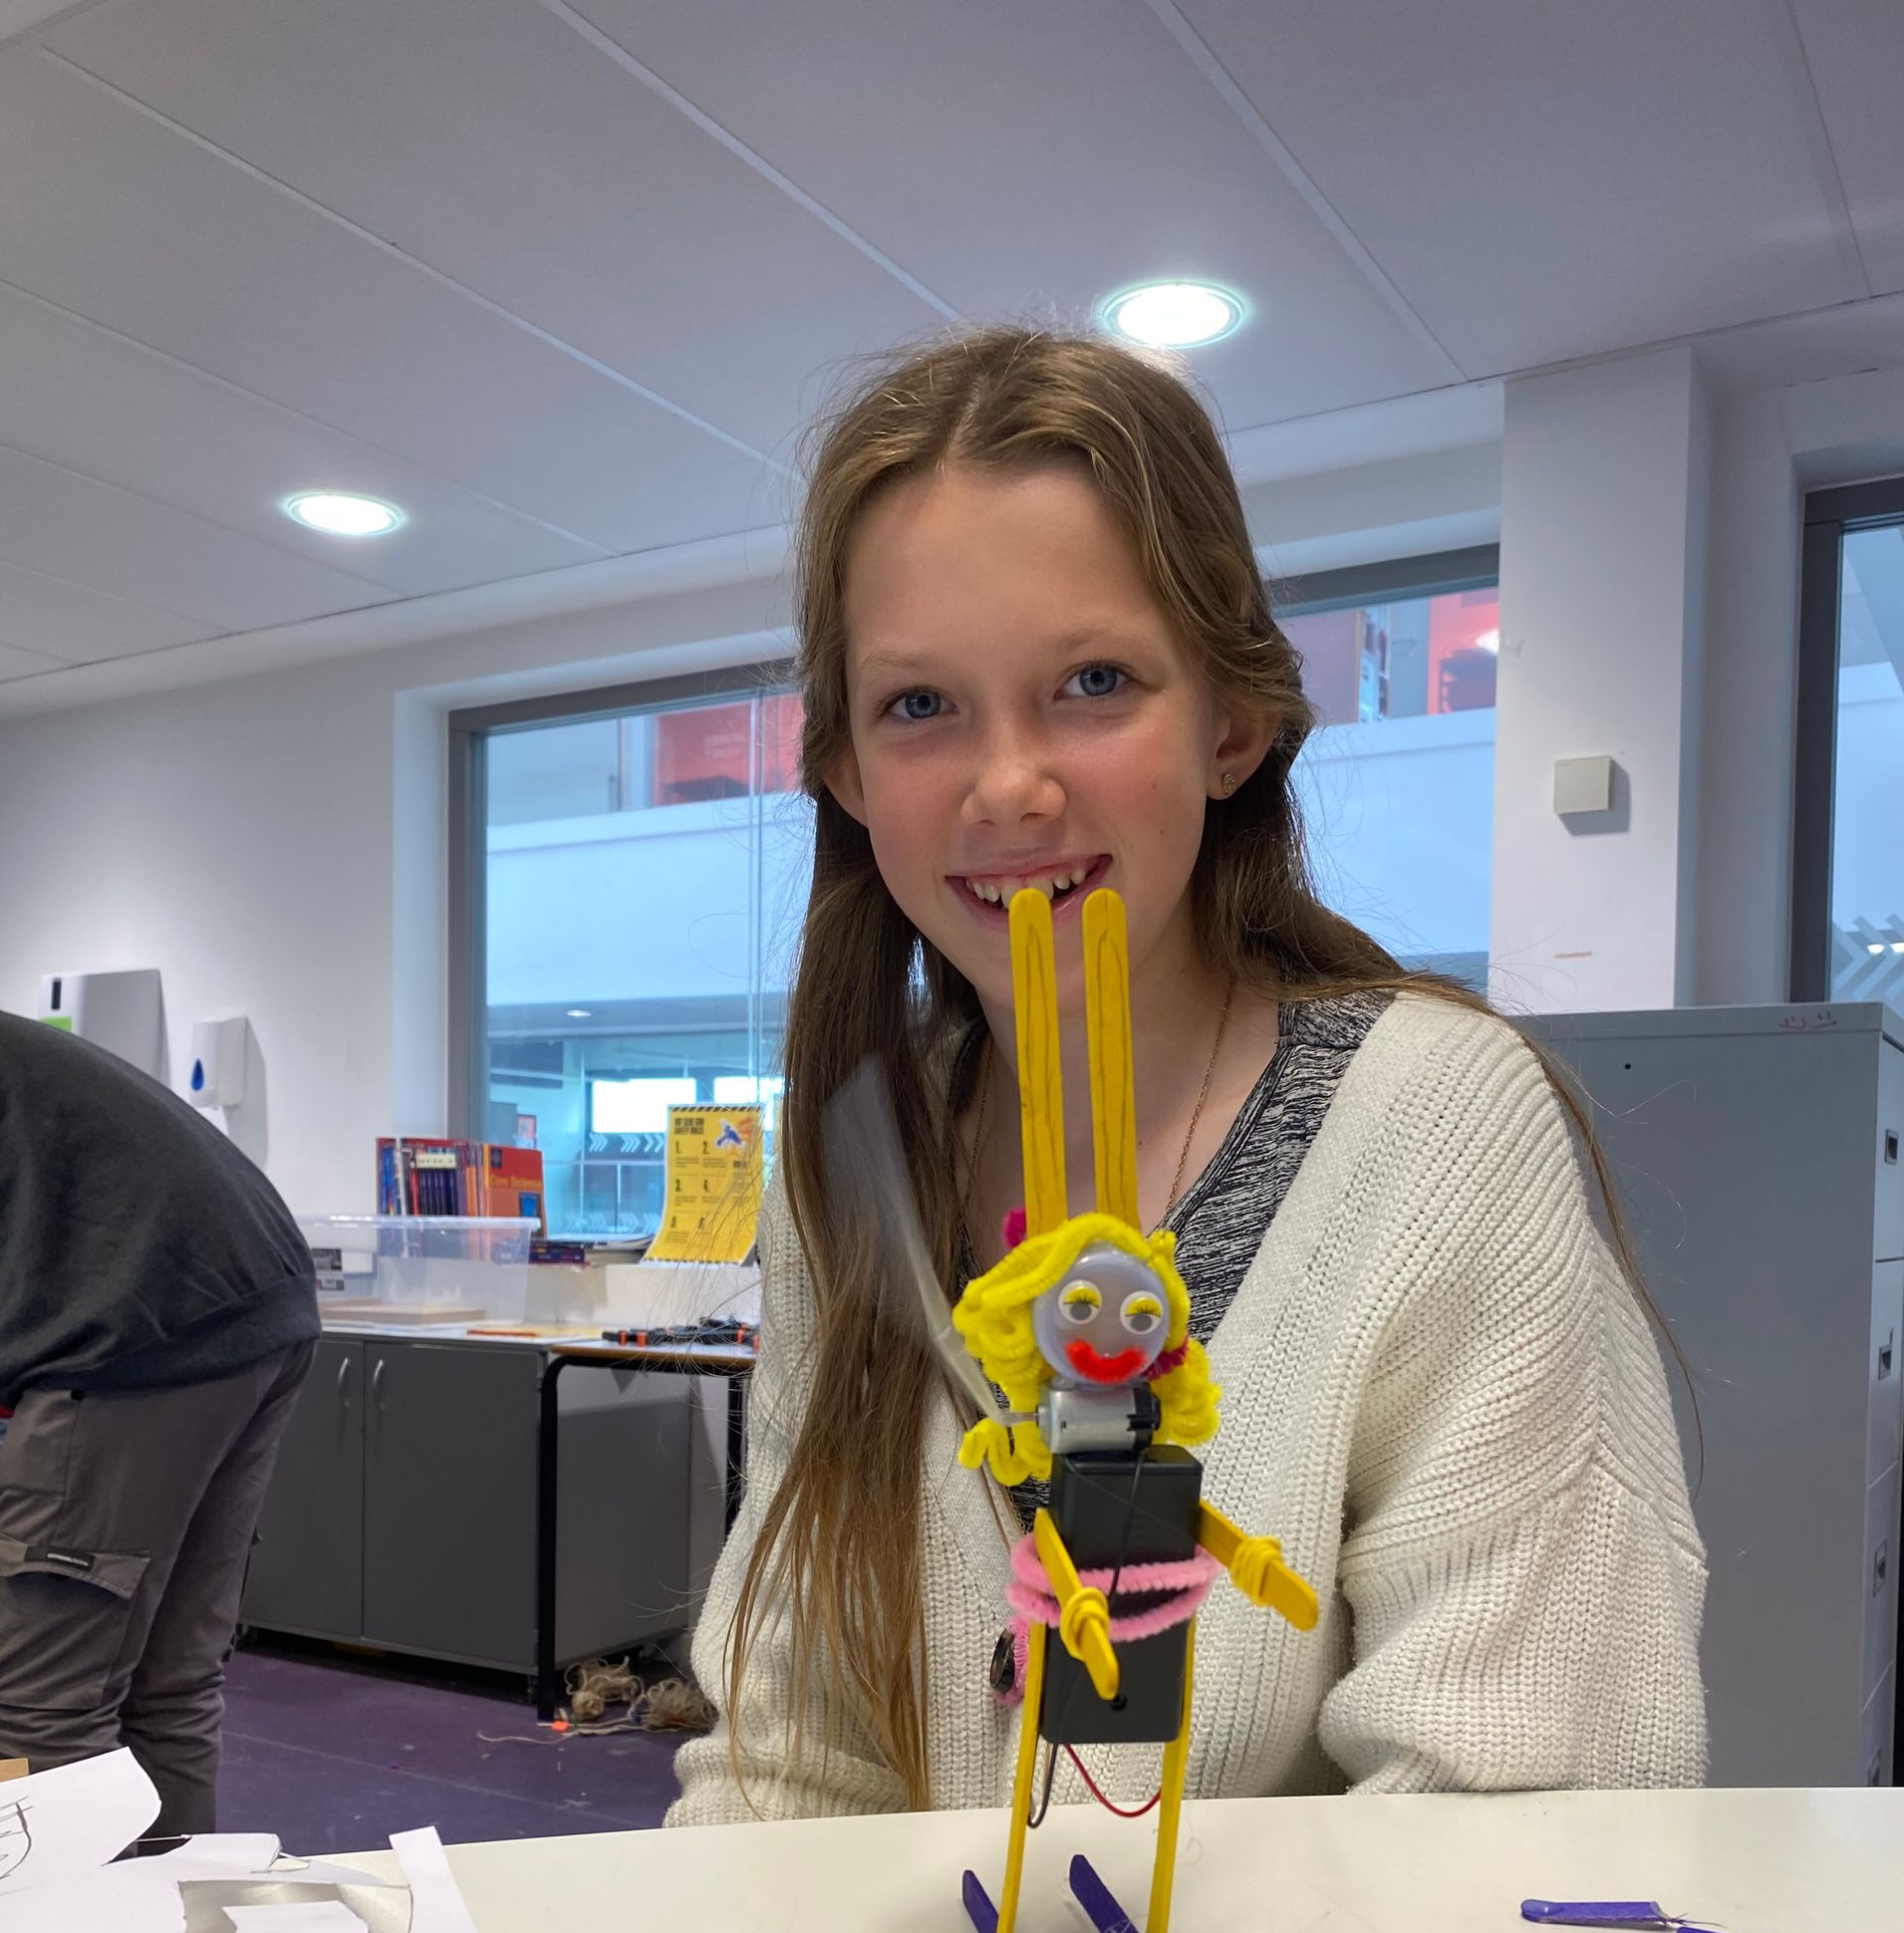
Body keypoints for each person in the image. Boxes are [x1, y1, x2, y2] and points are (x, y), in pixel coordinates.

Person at [669, 325, 1706, 1825]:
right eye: (920, 705)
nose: (1009, 784)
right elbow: (787, 1758)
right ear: (845, 772)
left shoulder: (1439, 1127)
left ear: (1232, 723)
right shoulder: (853, 1165)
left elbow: (1521, 1800)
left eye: (1094, 681)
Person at [0, 1009, 318, 1838]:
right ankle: (177, 1913)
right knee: (167, 1687)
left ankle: (66, 1926)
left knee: (40, 1709)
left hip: (133, 1322)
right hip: (253, 1298)